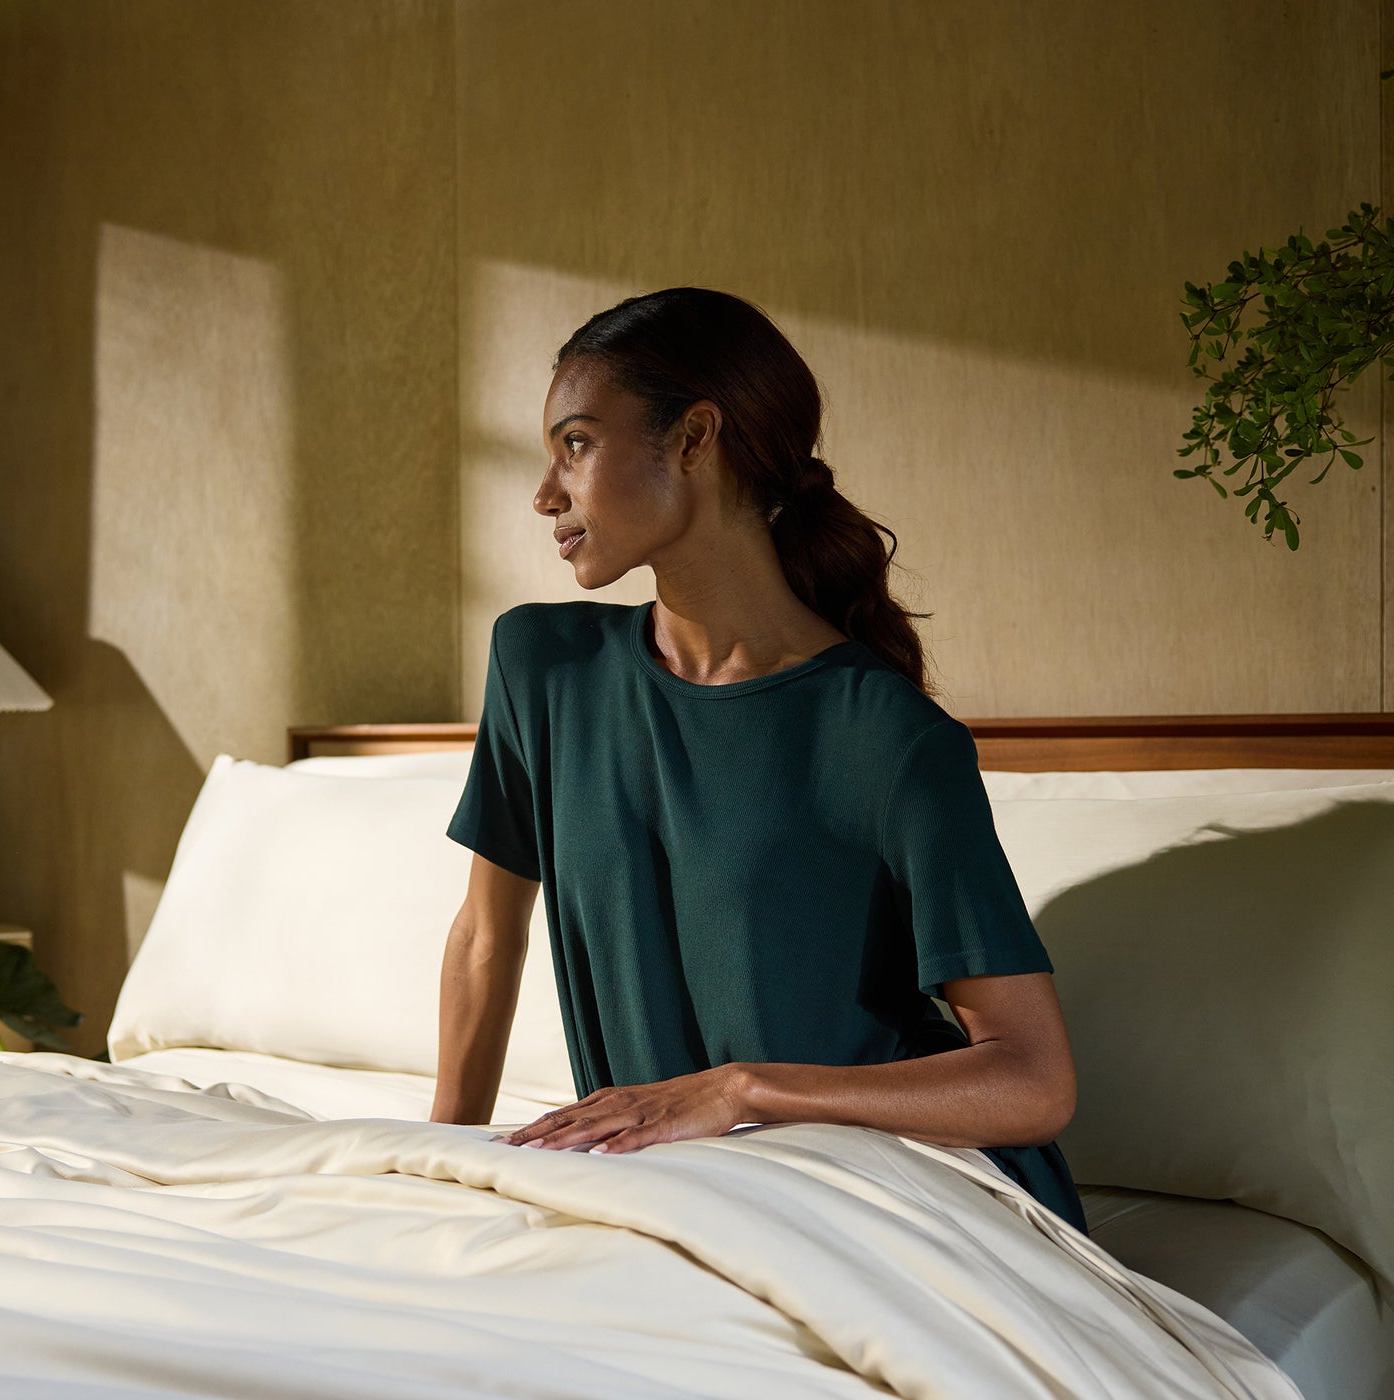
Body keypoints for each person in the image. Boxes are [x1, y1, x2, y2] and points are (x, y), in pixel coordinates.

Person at [434, 286, 1088, 1237]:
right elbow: (486, 939)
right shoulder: (543, 668)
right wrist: (439, 1164)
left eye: (575, 443)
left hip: (882, 1192)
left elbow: (1034, 1080)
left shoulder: (889, 738)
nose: (545, 493)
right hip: (671, 1196)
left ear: (695, 438)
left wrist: (741, 1090)